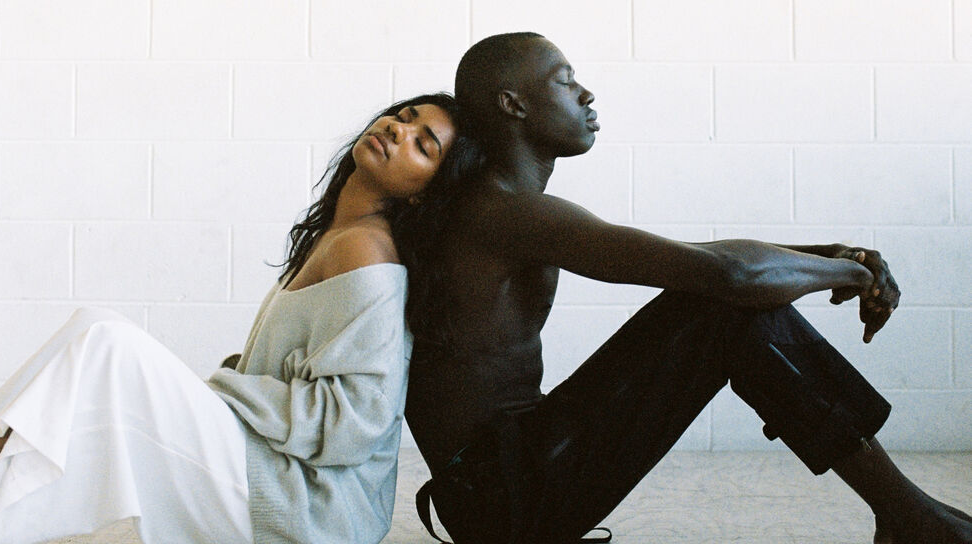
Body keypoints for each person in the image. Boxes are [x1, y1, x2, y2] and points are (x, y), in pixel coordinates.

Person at [406, 32, 972, 544]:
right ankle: (912, 519)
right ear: (513, 104)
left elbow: (708, 263)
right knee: (723, 308)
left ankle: (908, 517)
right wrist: (853, 273)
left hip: (499, 487)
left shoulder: (499, 207)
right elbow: (729, 274)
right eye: (565, 80)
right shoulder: (505, 213)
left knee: (718, 300)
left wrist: (829, 254)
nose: (586, 94)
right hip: (499, 502)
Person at [0, 93, 478, 544]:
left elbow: (351, 425)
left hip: (310, 512)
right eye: (405, 117)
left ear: (425, 195)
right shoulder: (338, 235)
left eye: (422, 145)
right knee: (91, 329)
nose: (399, 130)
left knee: (106, 345)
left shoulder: (369, 254)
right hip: (266, 464)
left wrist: (223, 395)